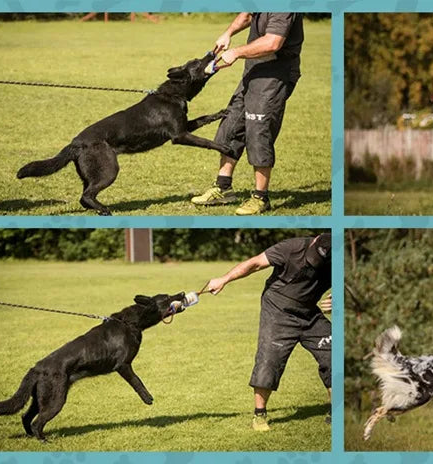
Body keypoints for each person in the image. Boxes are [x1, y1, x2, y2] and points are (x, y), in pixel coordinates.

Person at [206, 233, 332, 431]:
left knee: (334, 354)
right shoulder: (292, 247)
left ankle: (336, 410)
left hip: (309, 313)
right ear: (314, 240)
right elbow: (255, 263)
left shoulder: (337, 260)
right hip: (278, 308)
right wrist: (224, 279)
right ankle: (259, 415)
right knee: (269, 359)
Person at [191, 13, 304, 215]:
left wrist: (236, 52)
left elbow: (273, 42)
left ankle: (261, 197)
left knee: (259, 132)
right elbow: (247, 14)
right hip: (254, 70)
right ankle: (223, 187)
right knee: (231, 124)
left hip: (275, 74)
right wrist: (228, 33)